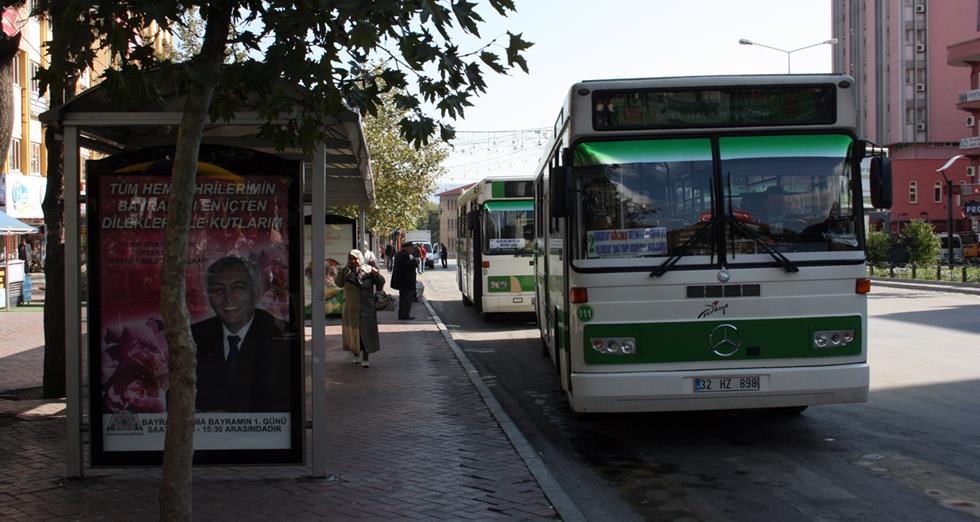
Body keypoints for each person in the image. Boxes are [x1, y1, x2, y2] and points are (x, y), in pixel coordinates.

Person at [193, 256, 291, 412]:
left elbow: (283, 399)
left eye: (238, 287)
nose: (228, 299)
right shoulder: (194, 336)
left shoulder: (279, 334)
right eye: (218, 290)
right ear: (209, 298)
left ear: (256, 292)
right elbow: (178, 392)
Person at [340, 249, 385, 367]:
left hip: (367, 308)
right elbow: (338, 283)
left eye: (355, 258)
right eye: (351, 258)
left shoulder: (369, 269)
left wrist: (377, 275)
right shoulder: (346, 272)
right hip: (351, 308)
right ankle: (355, 354)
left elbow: (380, 284)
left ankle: (366, 358)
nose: (353, 261)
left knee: (367, 334)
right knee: (354, 332)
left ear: (360, 258)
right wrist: (345, 270)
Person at [391, 241, 418, 320]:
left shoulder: (403, 254)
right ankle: (405, 315)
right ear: (407, 248)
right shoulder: (404, 255)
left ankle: (402, 314)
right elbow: (408, 266)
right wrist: (415, 263)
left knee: (404, 299)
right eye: (412, 248)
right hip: (406, 282)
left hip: (403, 281)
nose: (413, 249)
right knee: (407, 299)